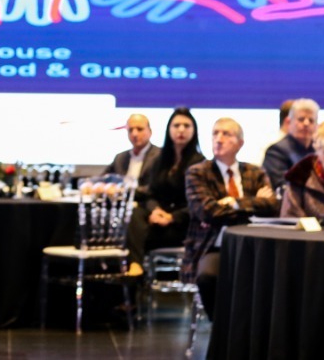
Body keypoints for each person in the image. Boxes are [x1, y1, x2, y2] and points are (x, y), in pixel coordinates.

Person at [184, 118, 277, 319]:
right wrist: (253, 204)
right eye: (215, 133)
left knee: (275, 277)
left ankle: (254, 326)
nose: (219, 139)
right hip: (213, 246)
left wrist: (234, 203)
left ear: (240, 143)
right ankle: (220, 326)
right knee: (208, 277)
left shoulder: (255, 172)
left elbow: (272, 206)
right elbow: (208, 212)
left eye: (226, 134)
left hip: (254, 247)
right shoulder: (197, 172)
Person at [125, 108, 204, 276]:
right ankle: (135, 266)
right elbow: (151, 194)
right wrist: (155, 210)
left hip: (183, 224)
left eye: (186, 126)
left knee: (137, 235)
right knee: (134, 213)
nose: (181, 130)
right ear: (169, 129)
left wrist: (171, 217)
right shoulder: (160, 160)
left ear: (194, 130)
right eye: (176, 125)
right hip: (158, 218)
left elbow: (199, 204)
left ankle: (137, 272)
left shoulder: (200, 164)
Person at [262, 98, 318, 188]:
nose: (306, 123)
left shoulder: (320, 151)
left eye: (311, 120)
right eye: (301, 119)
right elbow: (281, 185)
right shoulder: (276, 152)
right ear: (288, 122)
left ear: (317, 126)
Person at [105, 113, 160, 197]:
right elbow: (104, 178)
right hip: (120, 202)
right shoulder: (120, 158)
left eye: (139, 129)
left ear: (150, 132)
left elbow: (155, 188)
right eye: (130, 130)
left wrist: (123, 191)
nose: (134, 134)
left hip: (145, 202)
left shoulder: (160, 156)